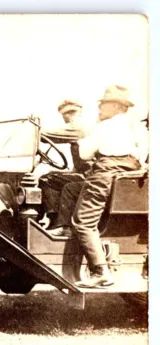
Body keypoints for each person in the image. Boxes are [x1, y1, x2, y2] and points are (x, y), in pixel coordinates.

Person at [46, 85, 147, 288]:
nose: (100, 109)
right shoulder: (132, 127)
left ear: (117, 106)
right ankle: (64, 229)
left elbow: (84, 154)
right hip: (119, 175)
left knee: (83, 223)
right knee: (71, 188)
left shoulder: (107, 126)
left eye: (104, 105)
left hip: (103, 176)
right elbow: (141, 155)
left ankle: (100, 272)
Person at [37, 99, 93, 221]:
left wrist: (34, 130)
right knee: (49, 177)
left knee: (49, 181)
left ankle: (58, 222)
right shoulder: (79, 129)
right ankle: (55, 219)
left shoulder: (80, 128)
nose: (70, 116)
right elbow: (78, 167)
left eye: (73, 112)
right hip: (85, 174)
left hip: (92, 177)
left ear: (81, 112)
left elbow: (45, 135)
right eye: (67, 113)